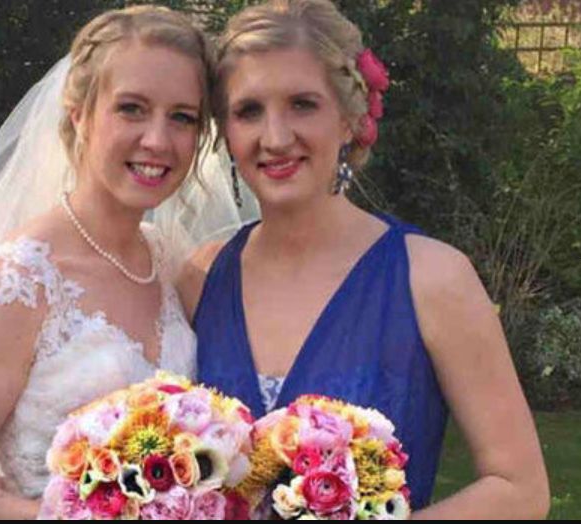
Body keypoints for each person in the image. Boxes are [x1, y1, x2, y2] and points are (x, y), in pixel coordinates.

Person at [179, 0, 550, 518]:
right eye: (249, 111)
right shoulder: (200, 277)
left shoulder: (432, 278)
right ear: (226, 132)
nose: (276, 136)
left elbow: (520, 488)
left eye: (303, 104)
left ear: (350, 119)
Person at [0, 6, 219, 518]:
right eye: (132, 108)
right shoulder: (23, 276)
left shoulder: (166, 260)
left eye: (182, 117)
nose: (158, 140)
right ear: (79, 113)